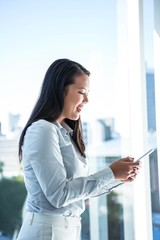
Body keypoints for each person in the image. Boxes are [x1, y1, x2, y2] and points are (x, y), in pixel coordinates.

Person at [17, 58, 141, 240]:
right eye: (82, 92)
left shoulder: (65, 133)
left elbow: (77, 193)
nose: (87, 100)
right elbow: (59, 195)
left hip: (67, 230)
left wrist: (117, 178)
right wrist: (111, 173)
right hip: (46, 232)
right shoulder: (42, 129)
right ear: (60, 90)